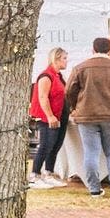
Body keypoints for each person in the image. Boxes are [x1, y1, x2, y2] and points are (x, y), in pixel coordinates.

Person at [65, 37, 110, 197]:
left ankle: (94, 188)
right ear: (109, 49)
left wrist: (74, 107)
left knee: (90, 152)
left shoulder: (80, 68)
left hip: (86, 116)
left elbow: (69, 91)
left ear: (93, 49)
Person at [28, 47, 69, 188]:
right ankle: (34, 175)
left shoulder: (58, 76)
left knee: (55, 145)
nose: (66, 61)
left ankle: (48, 172)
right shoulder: (46, 76)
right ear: (56, 59)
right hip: (47, 118)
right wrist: (50, 116)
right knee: (46, 145)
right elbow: (42, 97)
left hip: (59, 116)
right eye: (64, 58)